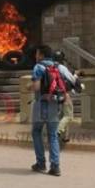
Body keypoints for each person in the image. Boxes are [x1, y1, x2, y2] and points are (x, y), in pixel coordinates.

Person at [30, 44, 66, 176]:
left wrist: (30, 86)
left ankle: (41, 163)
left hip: (42, 104)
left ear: (41, 55)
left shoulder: (38, 67)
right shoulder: (58, 67)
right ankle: (55, 166)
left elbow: (37, 87)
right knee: (53, 135)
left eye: (37, 53)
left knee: (36, 132)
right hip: (55, 104)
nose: (35, 56)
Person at [53, 50, 83, 147]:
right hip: (64, 94)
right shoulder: (62, 67)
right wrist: (77, 77)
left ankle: (65, 137)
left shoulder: (50, 67)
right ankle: (57, 131)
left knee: (62, 115)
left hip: (54, 94)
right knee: (69, 116)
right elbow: (71, 79)